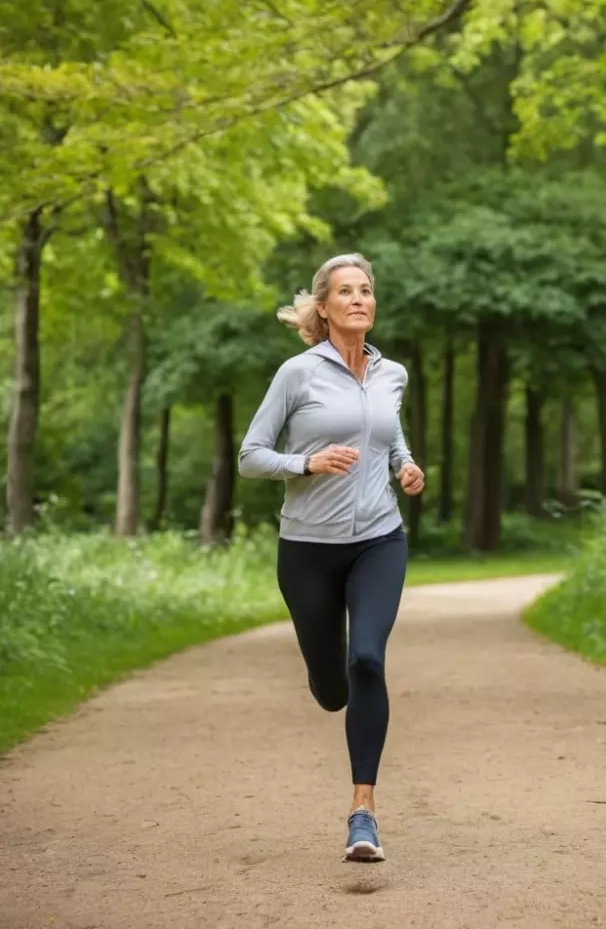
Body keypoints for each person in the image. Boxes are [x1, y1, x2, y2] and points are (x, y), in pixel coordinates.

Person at [238, 253, 424, 863]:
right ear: (323, 307)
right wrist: (307, 463)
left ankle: (362, 813)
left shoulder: (392, 373)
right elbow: (251, 455)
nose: (358, 299)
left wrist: (405, 465)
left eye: (365, 290)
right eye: (345, 291)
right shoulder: (297, 374)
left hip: (379, 540)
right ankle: (326, 679)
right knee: (331, 688)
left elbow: (389, 433)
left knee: (367, 658)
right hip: (308, 551)